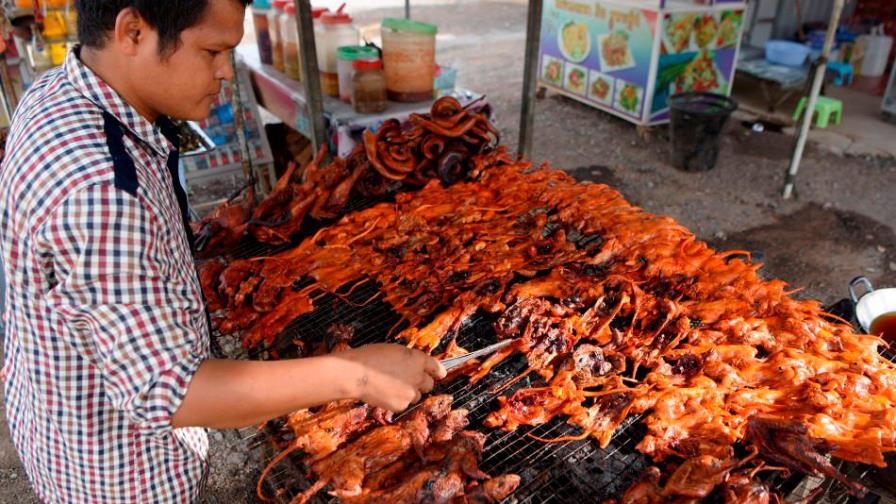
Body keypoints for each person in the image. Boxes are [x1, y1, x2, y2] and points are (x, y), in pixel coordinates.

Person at [0, 1, 446, 502]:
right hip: (118, 474)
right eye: (212, 51)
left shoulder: (58, 93)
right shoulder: (103, 190)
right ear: (133, 31)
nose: (226, 74)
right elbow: (171, 392)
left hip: (58, 416)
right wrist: (359, 374)